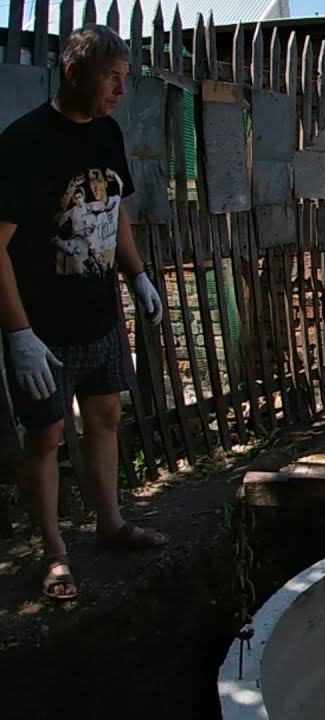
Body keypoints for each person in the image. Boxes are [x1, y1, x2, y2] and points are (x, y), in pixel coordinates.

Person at [0, 25, 169, 601]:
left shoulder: (107, 134)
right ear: (74, 73)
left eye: (125, 79)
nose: (121, 89)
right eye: (111, 77)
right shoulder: (24, 144)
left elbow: (112, 207)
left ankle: (112, 523)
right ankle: (54, 553)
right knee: (46, 435)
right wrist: (18, 333)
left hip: (99, 314)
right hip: (43, 327)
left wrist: (137, 273)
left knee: (104, 418)